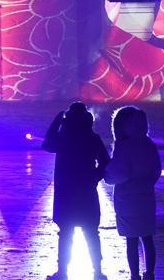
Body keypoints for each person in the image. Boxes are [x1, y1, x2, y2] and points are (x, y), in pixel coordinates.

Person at [42, 103, 109, 280]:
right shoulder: (92, 138)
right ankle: (97, 271)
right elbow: (105, 163)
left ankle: (63, 272)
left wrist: (57, 119)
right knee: (91, 233)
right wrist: (94, 177)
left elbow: (47, 143)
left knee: (65, 234)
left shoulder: (63, 139)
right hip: (86, 192)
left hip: (65, 193)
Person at [104, 107, 161, 280]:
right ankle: (149, 273)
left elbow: (119, 173)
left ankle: (134, 275)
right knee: (147, 237)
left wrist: (108, 175)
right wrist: (147, 183)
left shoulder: (123, 145)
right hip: (145, 196)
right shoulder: (149, 143)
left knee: (131, 240)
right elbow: (156, 169)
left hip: (127, 198)